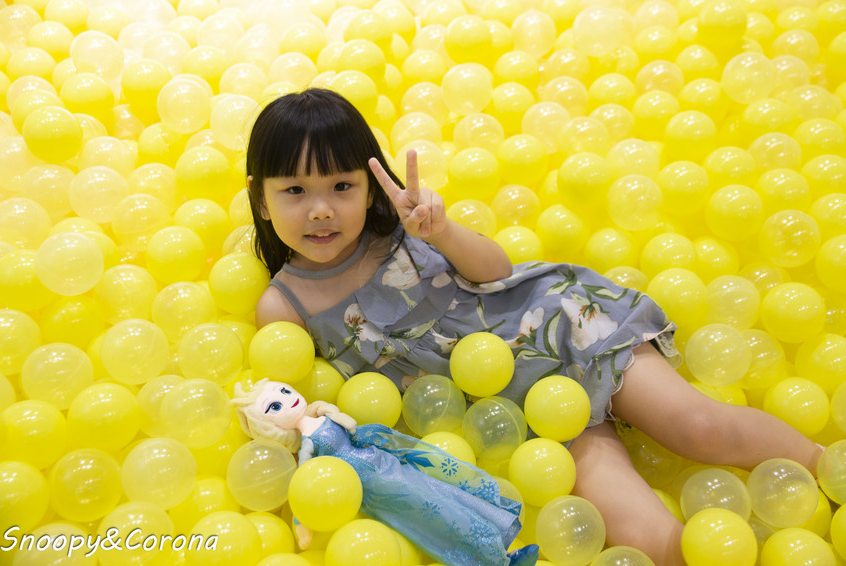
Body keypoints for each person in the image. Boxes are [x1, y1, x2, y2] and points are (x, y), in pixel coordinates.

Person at [246, 88, 823, 565]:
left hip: (561, 329)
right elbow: (296, 403)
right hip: (522, 415)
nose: (320, 209)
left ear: (370, 185)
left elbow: (497, 272)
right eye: (295, 191)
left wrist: (439, 232)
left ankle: (828, 466)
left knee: (702, 428)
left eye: (340, 186)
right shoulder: (285, 305)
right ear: (262, 201)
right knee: (644, 538)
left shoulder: (403, 230)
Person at [233, 378, 540, 566]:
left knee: (445, 494)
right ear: (270, 427)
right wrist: (303, 524)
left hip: (383, 461)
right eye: (275, 406)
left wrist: (329, 411)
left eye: (284, 392)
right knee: (436, 518)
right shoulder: (308, 447)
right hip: (376, 489)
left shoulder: (320, 415)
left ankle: (499, 543)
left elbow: (350, 426)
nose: (288, 400)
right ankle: (492, 560)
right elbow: (306, 483)